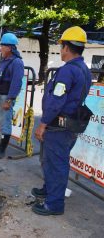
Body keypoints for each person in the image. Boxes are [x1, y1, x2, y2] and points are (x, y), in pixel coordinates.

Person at [32, 26, 92, 216]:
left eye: (61, 46)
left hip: (59, 125)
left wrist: (43, 123)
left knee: (56, 164)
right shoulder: (84, 69)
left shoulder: (67, 71)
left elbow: (57, 100)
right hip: (70, 124)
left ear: (66, 47)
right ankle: (49, 190)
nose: (60, 49)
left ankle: (54, 204)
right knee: (52, 161)